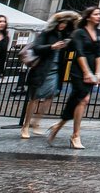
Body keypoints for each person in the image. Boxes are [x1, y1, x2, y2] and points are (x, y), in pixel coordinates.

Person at [47, 6, 100, 150]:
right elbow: (79, 53)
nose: (99, 16)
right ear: (88, 16)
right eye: (96, 14)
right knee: (84, 99)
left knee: (77, 100)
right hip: (78, 69)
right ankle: (75, 135)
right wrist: (86, 72)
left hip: (92, 68)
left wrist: (98, 73)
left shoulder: (99, 32)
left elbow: (99, 53)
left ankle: (59, 125)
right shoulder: (79, 32)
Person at [21, 10, 77, 138]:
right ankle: (26, 126)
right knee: (34, 98)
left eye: (65, 23)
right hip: (42, 69)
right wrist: (52, 47)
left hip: (56, 70)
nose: (62, 25)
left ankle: (36, 122)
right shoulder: (47, 33)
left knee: (50, 97)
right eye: (60, 22)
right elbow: (36, 48)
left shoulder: (65, 35)